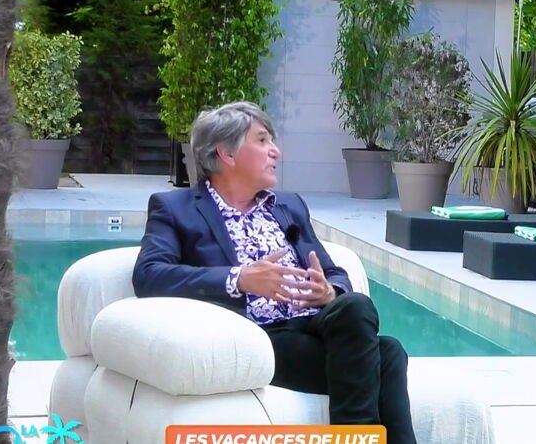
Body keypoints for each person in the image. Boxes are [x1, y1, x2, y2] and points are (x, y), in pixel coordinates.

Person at [132, 101, 417, 443]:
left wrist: (329, 290)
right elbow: (149, 274)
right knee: (388, 355)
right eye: (262, 140)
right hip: (259, 336)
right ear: (226, 153)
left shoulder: (288, 205)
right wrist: (240, 279)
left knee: (354, 305)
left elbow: (333, 271)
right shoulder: (175, 208)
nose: (276, 152)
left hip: (315, 324)